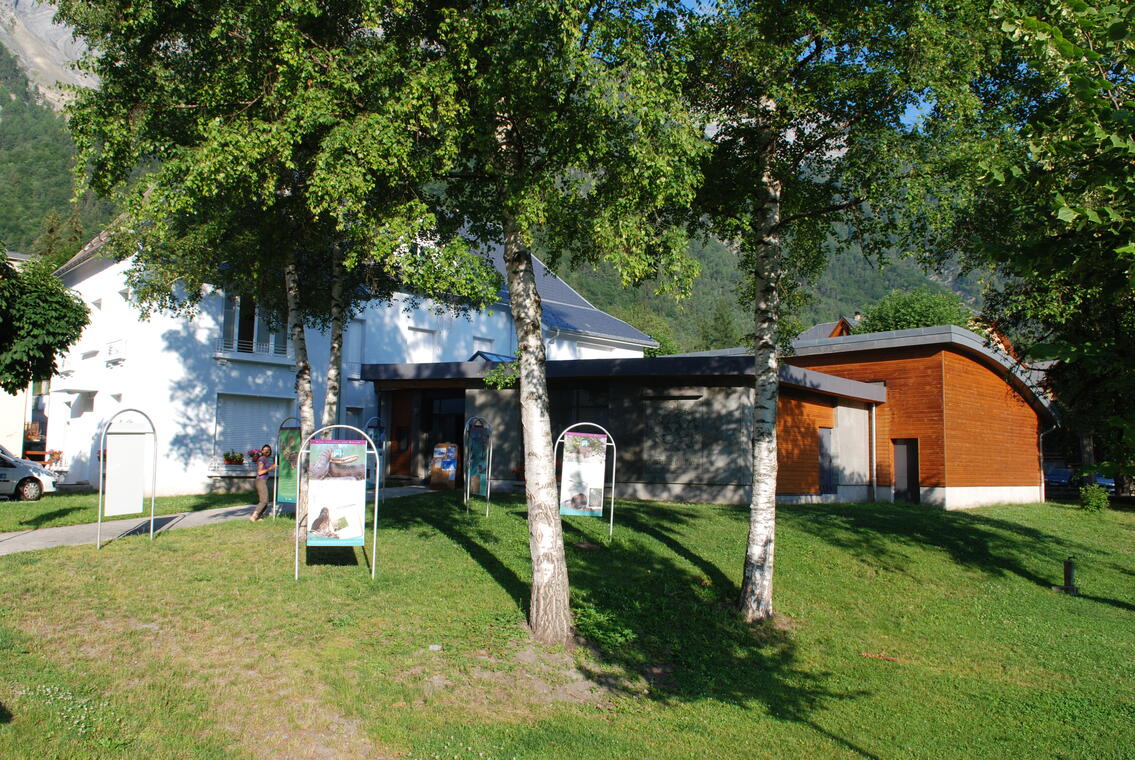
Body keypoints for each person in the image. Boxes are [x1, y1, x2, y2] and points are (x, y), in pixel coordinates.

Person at [249, 444, 277, 521]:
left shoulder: (265, 459)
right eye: (264, 449)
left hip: (263, 481)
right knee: (264, 501)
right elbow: (260, 472)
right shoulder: (262, 459)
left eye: (268, 450)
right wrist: (271, 468)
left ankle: (259, 517)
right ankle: (253, 516)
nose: (266, 451)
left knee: (265, 500)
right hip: (260, 481)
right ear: (262, 451)